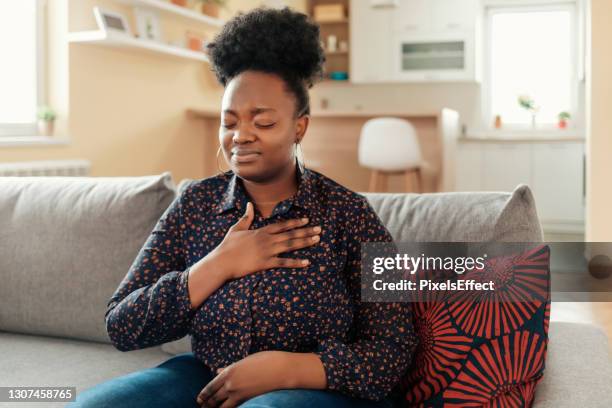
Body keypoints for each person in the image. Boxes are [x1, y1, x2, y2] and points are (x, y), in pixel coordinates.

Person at [69, 6, 417, 408]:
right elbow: (122, 326)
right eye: (229, 122)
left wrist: (288, 369)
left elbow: (393, 350)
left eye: (263, 123)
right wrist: (219, 264)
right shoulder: (196, 204)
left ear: (299, 126)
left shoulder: (348, 214)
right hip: (206, 375)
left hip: (315, 389)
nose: (241, 136)